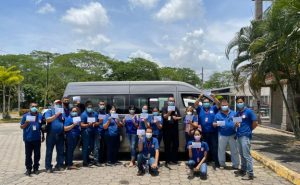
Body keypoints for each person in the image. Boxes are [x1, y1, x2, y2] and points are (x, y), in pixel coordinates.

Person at [234, 96, 258, 180]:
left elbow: (255, 123)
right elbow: (236, 124)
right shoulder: (237, 113)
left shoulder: (249, 111)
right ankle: (243, 169)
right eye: (238, 102)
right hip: (239, 135)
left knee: (247, 155)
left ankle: (250, 173)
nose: (239, 103)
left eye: (241, 102)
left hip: (245, 136)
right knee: (241, 154)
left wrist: (249, 130)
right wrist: (236, 124)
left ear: (244, 102)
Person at [194, 94, 220, 167]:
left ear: (210, 103)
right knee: (205, 147)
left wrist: (214, 97)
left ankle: (216, 162)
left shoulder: (213, 108)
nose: (206, 103)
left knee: (214, 147)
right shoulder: (200, 109)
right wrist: (199, 97)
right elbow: (195, 104)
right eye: (204, 102)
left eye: (207, 102)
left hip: (213, 132)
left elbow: (218, 104)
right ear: (202, 103)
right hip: (204, 132)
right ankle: (205, 161)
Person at [213, 99, 239, 169]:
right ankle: (222, 164)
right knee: (221, 150)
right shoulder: (218, 114)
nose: (224, 106)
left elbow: (239, 123)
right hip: (222, 135)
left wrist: (237, 124)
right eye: (223, 105)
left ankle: (236, 165)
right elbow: (213, 124)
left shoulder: (234, 113)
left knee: (234, 150)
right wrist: (220, 123)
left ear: (228, 105)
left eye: (225, 105)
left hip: (232, 134)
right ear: (220, 106)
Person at [20, 103, 43, 176]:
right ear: (30, 107)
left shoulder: (40, 116)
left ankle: (36, 168)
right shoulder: (25, 116)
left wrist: (43, 136)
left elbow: (42, 126)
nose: (34, 108)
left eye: (36, 106)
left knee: (37, 154)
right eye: (33, 106)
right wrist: (26, 123)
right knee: (28, 155)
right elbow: (21, 127)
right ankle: (28, 169)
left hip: (37, 139)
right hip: (28, 139)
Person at [45, 100, 65, 172]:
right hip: (51, 135)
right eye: (57, 103)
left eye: (60, 103)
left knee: (60, 151)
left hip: (60, 134)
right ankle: (48, 167)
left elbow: (64, 120)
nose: (58, 105)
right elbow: (48, 120)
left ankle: (59, 165)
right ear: (53, 104)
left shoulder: (62, 112)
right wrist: (56, 115)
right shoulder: (49, 111)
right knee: (49, 151)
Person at [162, 97, 182, 165]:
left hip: (174, 129)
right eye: (170, 101)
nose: (171, 102)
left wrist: (176, 118)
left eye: (173, 101)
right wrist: (169, 112)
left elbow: (180, 117)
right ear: (167, 101)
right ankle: (167, 160)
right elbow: (164, 116)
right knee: (167, 145)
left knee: (175, 145)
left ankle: (174, 160)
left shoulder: (176, 108)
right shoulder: (164, 108)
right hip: (167, 130)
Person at [80, 101, 98, 167]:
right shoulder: (83, 114)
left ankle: (88, 158)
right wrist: (88, 125)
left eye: (91, 107)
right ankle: (85, 161)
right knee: (85, 147)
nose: (90, 108)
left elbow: (97, 122)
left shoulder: (94, 113)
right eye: (88, 107)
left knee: (91, 147)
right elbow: (81, 124)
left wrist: (95, 123)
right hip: (86, 132)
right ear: (86, 107)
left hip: (93, 132)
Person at [95, 100, 107, 166]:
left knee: (102, 146)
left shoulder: (105, 112)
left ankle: (101, 159)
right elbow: (94, 123)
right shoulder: (96, 113)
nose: (102, 105)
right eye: (101, 104)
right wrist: (99, 122)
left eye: (103, 104)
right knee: (97, 147)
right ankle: (97, 160)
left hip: (104, 131)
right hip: (98, 131)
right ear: (98, 105)